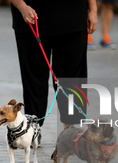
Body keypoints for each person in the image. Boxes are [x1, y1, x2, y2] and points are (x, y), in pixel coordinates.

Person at [11, 0, 98, 146]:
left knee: (72, 79)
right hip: (30, 18)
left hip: (73, 18)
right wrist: (22, 6)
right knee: (34, 78)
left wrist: (93, 10)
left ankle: (70, 134)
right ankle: (34, 129)